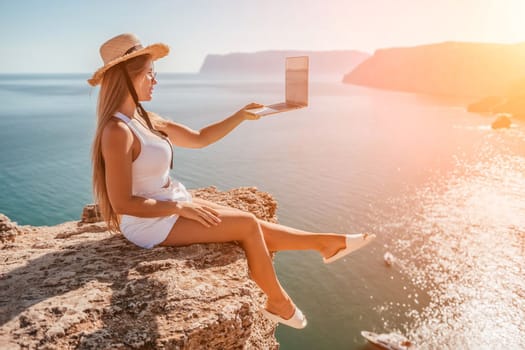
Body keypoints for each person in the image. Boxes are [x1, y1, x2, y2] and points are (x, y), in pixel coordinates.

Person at [88, 33, 375, 329]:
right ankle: (278, 303)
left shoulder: (145, 119)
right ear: (128, 75)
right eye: (150, 73)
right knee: (247, 225)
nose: (155, 80)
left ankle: (326, 244)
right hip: (146, 224)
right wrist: (179, 208)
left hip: (168, 205)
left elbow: (200, 139)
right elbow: (122, 202)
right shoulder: (117, 131)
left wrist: (240, 116)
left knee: (252, 223)